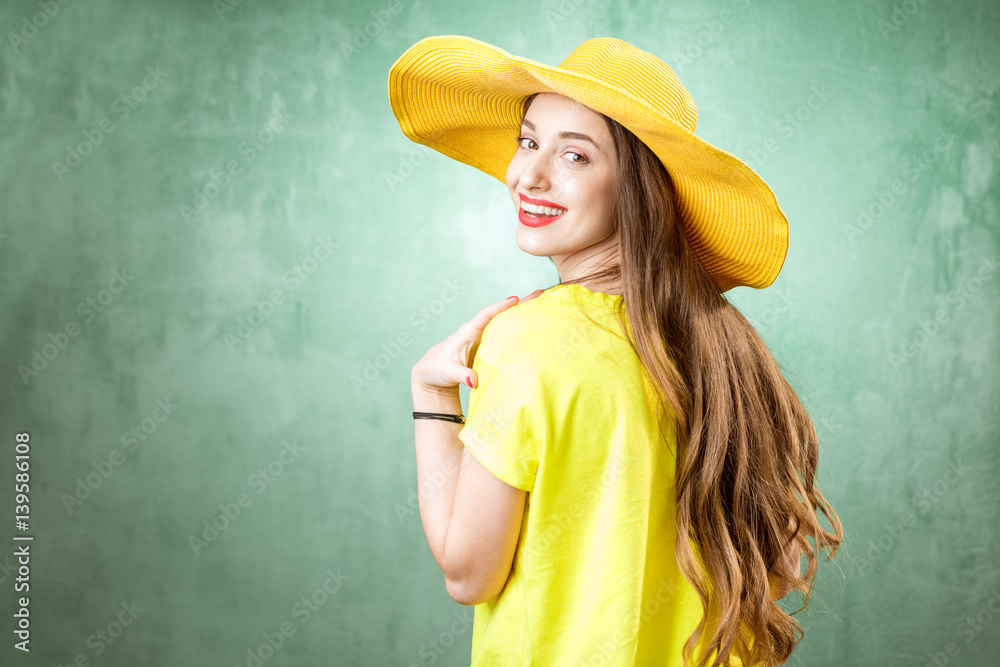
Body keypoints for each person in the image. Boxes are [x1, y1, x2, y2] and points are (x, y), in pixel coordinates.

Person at [389, 35, 842, 667]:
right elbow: (780, 565)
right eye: (528, 140)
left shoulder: (525, 344)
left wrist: (431, 393)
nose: (528, 174)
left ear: (636, 186)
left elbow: (469, 575)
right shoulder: (728, 351)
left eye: (574, 155)